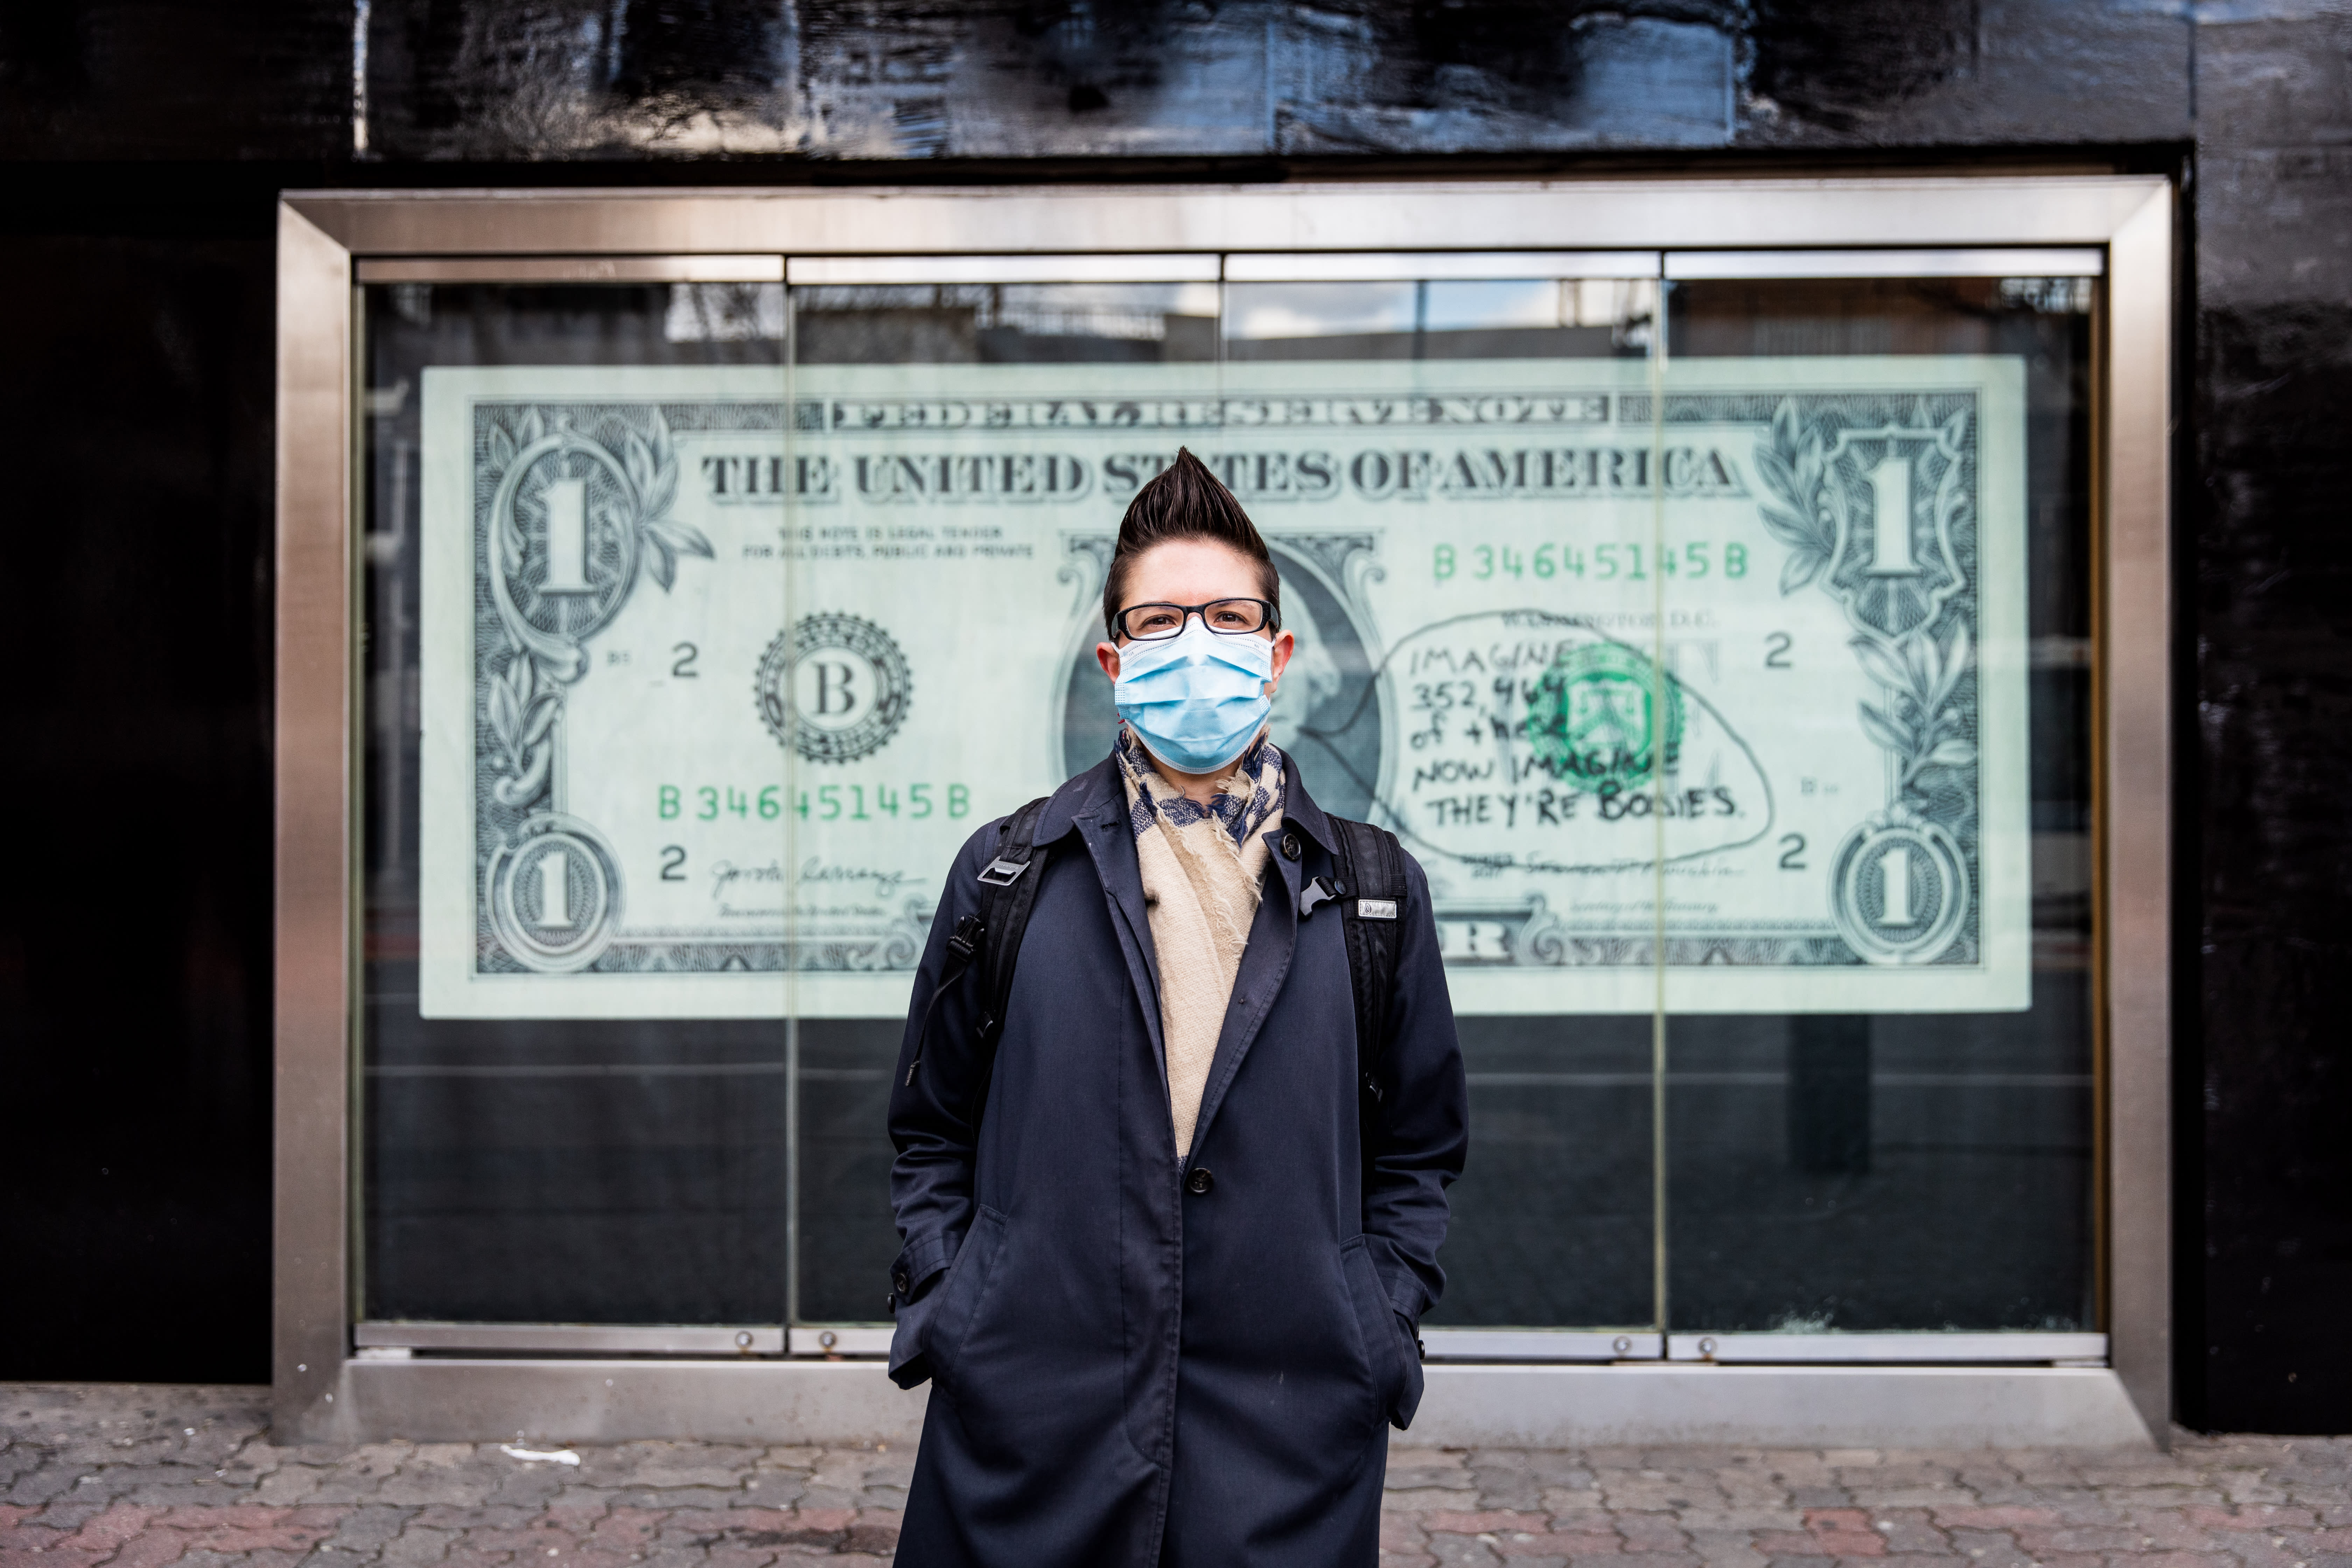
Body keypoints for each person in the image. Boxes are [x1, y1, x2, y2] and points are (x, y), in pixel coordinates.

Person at [884, 448, 1469, 1568]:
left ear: (1278, 651)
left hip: (1288, 1434)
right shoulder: (1009, 873)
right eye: (1159, 621)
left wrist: (1375, 1323)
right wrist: (957, 1310)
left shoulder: (1377, 892)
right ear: (1113, 658)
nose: (1195, 644)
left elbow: (1421, 1148)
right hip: (1031, 1418)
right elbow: (931, 1126)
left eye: (1228, 616)